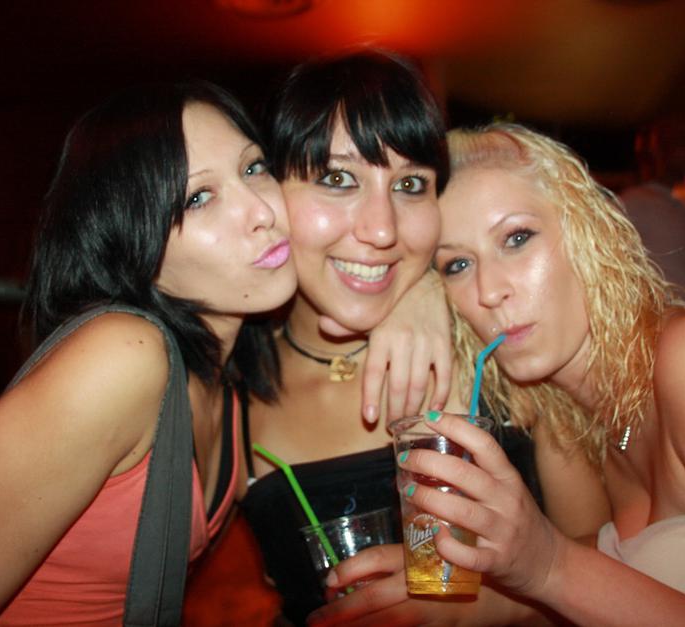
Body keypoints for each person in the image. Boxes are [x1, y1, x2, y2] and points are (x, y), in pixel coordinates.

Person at [322, 122, 685, 625]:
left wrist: (550, 567)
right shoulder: (572, 412)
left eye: (517, 238)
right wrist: (475, 596)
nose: (489, 291)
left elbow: (563, 570)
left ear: (589, 232)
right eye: (457, 266)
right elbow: (611, 584)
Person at [0, 80, 297, 626]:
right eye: (198, 198)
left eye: (254, 167)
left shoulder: (232, 368)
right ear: (132, 242)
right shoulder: (121, 357)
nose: (262, 210)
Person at [238, 53, 607, 626]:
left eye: (410, 185)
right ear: (268, 191)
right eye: (337, 179)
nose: (381, 229)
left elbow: (604, 551)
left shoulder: (500, 343)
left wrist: (479, 607)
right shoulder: (223, 398)